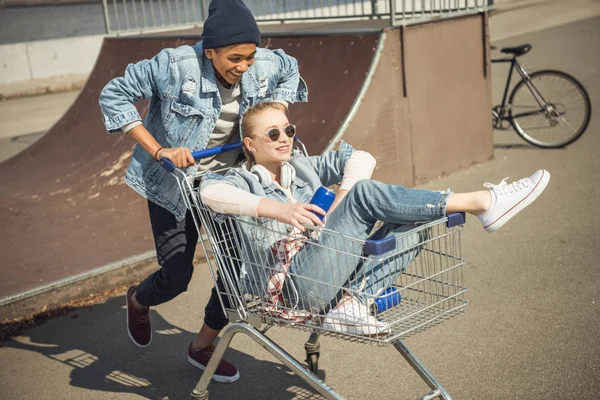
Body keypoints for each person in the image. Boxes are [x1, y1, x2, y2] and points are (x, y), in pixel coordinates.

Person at [199, 101, 551, 336]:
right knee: (366, 195)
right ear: (249, 144)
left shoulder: (302, 167)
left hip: (332, 268)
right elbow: (209, 193)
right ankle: (481, 201)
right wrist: (280, 209)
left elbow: (360, 157)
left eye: (289, 130)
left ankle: (352, 304)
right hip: (294, 286)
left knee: (415, 222)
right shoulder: (241, 180)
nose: (285, 139)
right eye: (272, 134)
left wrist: (339, 200)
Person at [98, 0, 307, 382]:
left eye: (249, 56)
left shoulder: (262, 63)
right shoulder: (175, 66)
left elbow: (289, 69)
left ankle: (203, 347)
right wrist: (159, 150)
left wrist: (275, 108)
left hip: (228, 182)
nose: (243, 67)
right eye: (234, 58)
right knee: (176, 278)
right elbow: (114, 94)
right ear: (209, 50)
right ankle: (139, 299)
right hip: (173, 183)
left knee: (236, 268)